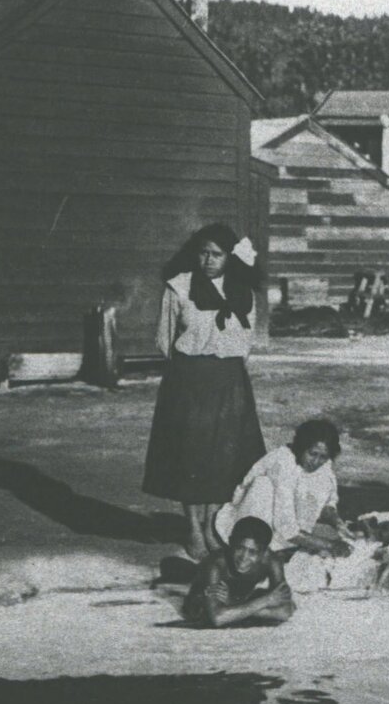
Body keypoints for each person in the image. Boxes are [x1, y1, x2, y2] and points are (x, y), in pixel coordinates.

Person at [144, 223, 266, 560]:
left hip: (229, 380)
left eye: (217, 254)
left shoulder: (242, 291)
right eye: (203, 252)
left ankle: (213, 525)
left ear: (229, 257)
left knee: (224, 456)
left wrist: (224, 366)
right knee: (192, 455)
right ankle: (193, 529)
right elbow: (164, 339)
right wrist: (192, 367)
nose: (209, 260)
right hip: (189, 380)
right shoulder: (179, 287)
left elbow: (247, 341)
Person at [214, 418, 349, 558]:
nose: (316, 462)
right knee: (263, 485)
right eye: (312, 454)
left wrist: (337, 522)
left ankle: (285, 546)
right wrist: (330, 545)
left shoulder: (324, 464)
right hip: (254, 517)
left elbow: (327, 500)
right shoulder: (282, 462)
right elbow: (286, 526)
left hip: (286, 522)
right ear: (302, 447)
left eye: (322, 457)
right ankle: (260, 548)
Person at [184, 517, 295, 628]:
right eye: (239, 548)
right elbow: (218, 618)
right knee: (200, 611)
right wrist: (267, 601)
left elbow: (287, 611)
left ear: (263, 552)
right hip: (201, 602)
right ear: (231, 542)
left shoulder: (271, 560)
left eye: (252, 552)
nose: (244, 557)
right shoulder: (216, 563)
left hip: (238, 599)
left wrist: (234, 604)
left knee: (263, 596)